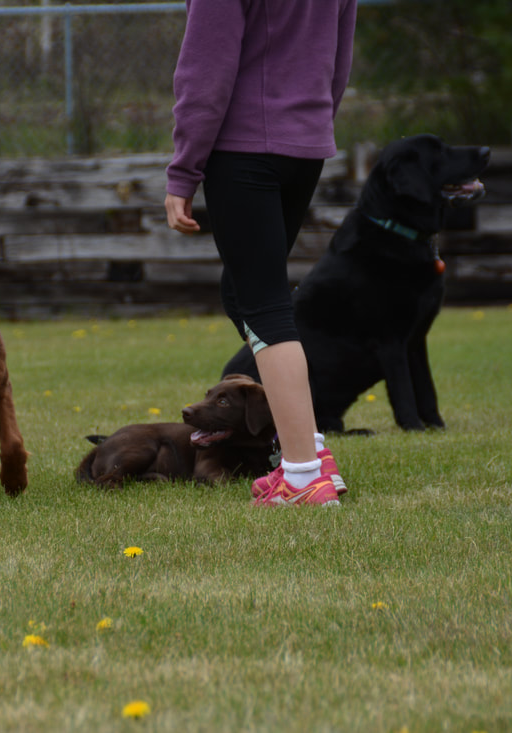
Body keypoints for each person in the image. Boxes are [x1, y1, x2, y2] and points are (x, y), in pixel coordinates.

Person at [165, 0, 358, 506]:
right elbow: (338, 61)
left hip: (245, 145)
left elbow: (206, 69)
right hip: (304, 144)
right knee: (244, 291)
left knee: (264, 305)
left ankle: (300, 476)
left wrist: (184, 170)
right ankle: (312, 451)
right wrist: (313, 125)